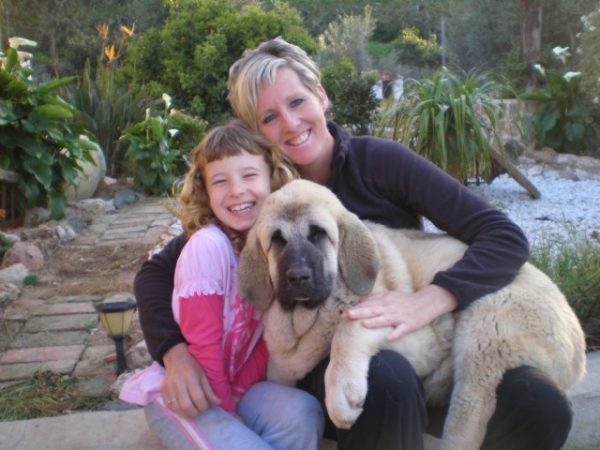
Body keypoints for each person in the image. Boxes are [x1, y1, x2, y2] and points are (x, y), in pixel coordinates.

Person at [135, 38, 574, 450]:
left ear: (321, 96)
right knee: (389, 379)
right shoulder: (257, 196)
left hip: (426, 339)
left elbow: (502, 236)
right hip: (332, 361)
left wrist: (430, 298)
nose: (289, 124)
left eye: (296, 102)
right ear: (256, 133)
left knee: (540, 405)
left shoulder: (380, 162)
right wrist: (175, 354)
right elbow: (157, 272)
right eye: (269, 118)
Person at [120, 119, 324, 450]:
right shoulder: (208, 246)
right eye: (220, 181)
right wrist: (229, 414)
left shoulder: (275, 250)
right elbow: (204, 343)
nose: (236, 190)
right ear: (205, 191)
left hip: (232, 385)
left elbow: (266, 339)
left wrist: (237, 395)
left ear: (272, 178)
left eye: (249, 175)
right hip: (187, 394)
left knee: (304, 412)